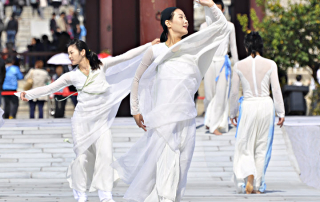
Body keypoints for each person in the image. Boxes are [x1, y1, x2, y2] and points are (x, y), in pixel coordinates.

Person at [112, 0, 230, 201]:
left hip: (187, 122)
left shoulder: (193, 49)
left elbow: (222, 28)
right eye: (181, 17)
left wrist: (210, 5)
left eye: (185, 17)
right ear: (168, 23)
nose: (186, 21)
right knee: (165, 175)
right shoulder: (156, 51)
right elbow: (137, 78)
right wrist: (135, 109)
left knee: (179, 179)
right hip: (164, 122)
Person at [16, 38, 160, 202]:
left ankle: (105, 195)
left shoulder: (101, 65)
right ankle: (80, 194)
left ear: (82, 52)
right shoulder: (71, 76)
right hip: (82, 122)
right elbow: (50, 88)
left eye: (72, 52)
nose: (70, 56)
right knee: (83, 159)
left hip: (100, 123)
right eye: (69, 53)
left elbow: (125, 57)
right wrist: (27, 94)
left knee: (105, 156)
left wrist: (149, 45)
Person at [229, 31, 285, 194]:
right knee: (262, 146)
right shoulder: (270, 64)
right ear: (261, 46)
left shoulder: (238, 65)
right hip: (266, 105)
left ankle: (249, 175)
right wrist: (281, 112)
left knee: (245, 145)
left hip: (248, 105)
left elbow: (234, 92)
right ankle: (258, 185)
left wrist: (232, 113)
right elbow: (275, 89)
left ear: (246, 47)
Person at [201, 0, 239, 135]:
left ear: (222, 10)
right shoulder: (204, 26)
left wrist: (237, 65)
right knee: (209, 94)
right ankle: (209, 121)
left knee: (221, 94)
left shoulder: (229, 26)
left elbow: (233, 46)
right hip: (209, 63)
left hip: (223, 62)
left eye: (217, 9)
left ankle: (216, 125)